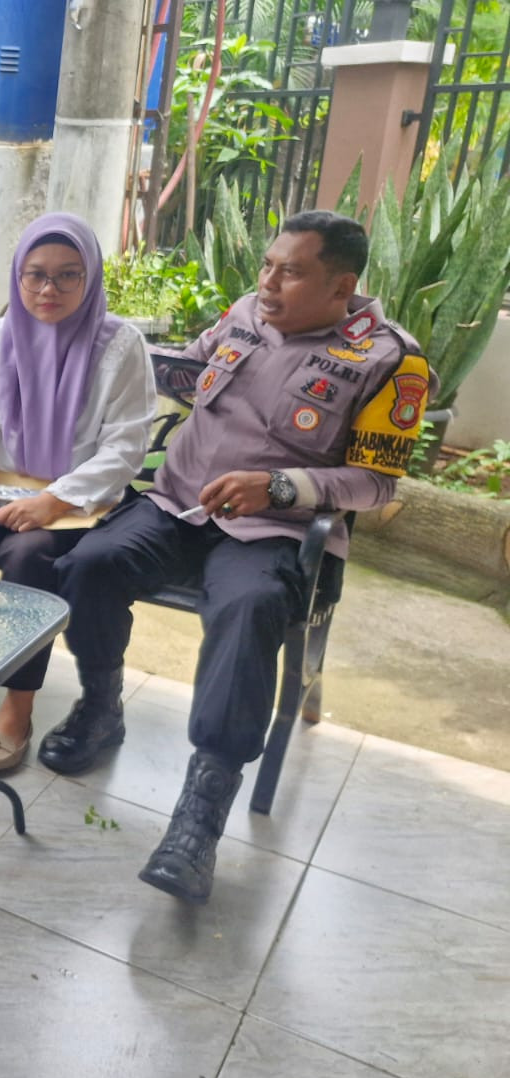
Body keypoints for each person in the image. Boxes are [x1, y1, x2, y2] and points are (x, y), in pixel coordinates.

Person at [41, 210, 434, 903]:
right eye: (267, 265)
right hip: (177, 505)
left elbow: (376, 484)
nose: (269, 282)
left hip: (274, 527)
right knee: (86, 563)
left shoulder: (389, 360)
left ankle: (201, 815)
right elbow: (190, 376)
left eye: (291, 272)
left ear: (341, 286)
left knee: (250, 611)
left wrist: (279, 486)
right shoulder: (246, 312)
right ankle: (101, 706)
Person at [0, 212, 156, 772]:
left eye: (68, 274)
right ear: (17, 276)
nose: (49, 289)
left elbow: (125, 448)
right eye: (35, 274)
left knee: (29, 557)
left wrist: (53, 501)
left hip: (76, 503)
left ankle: (17, 707)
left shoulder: (119, 346)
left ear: (90, 277)